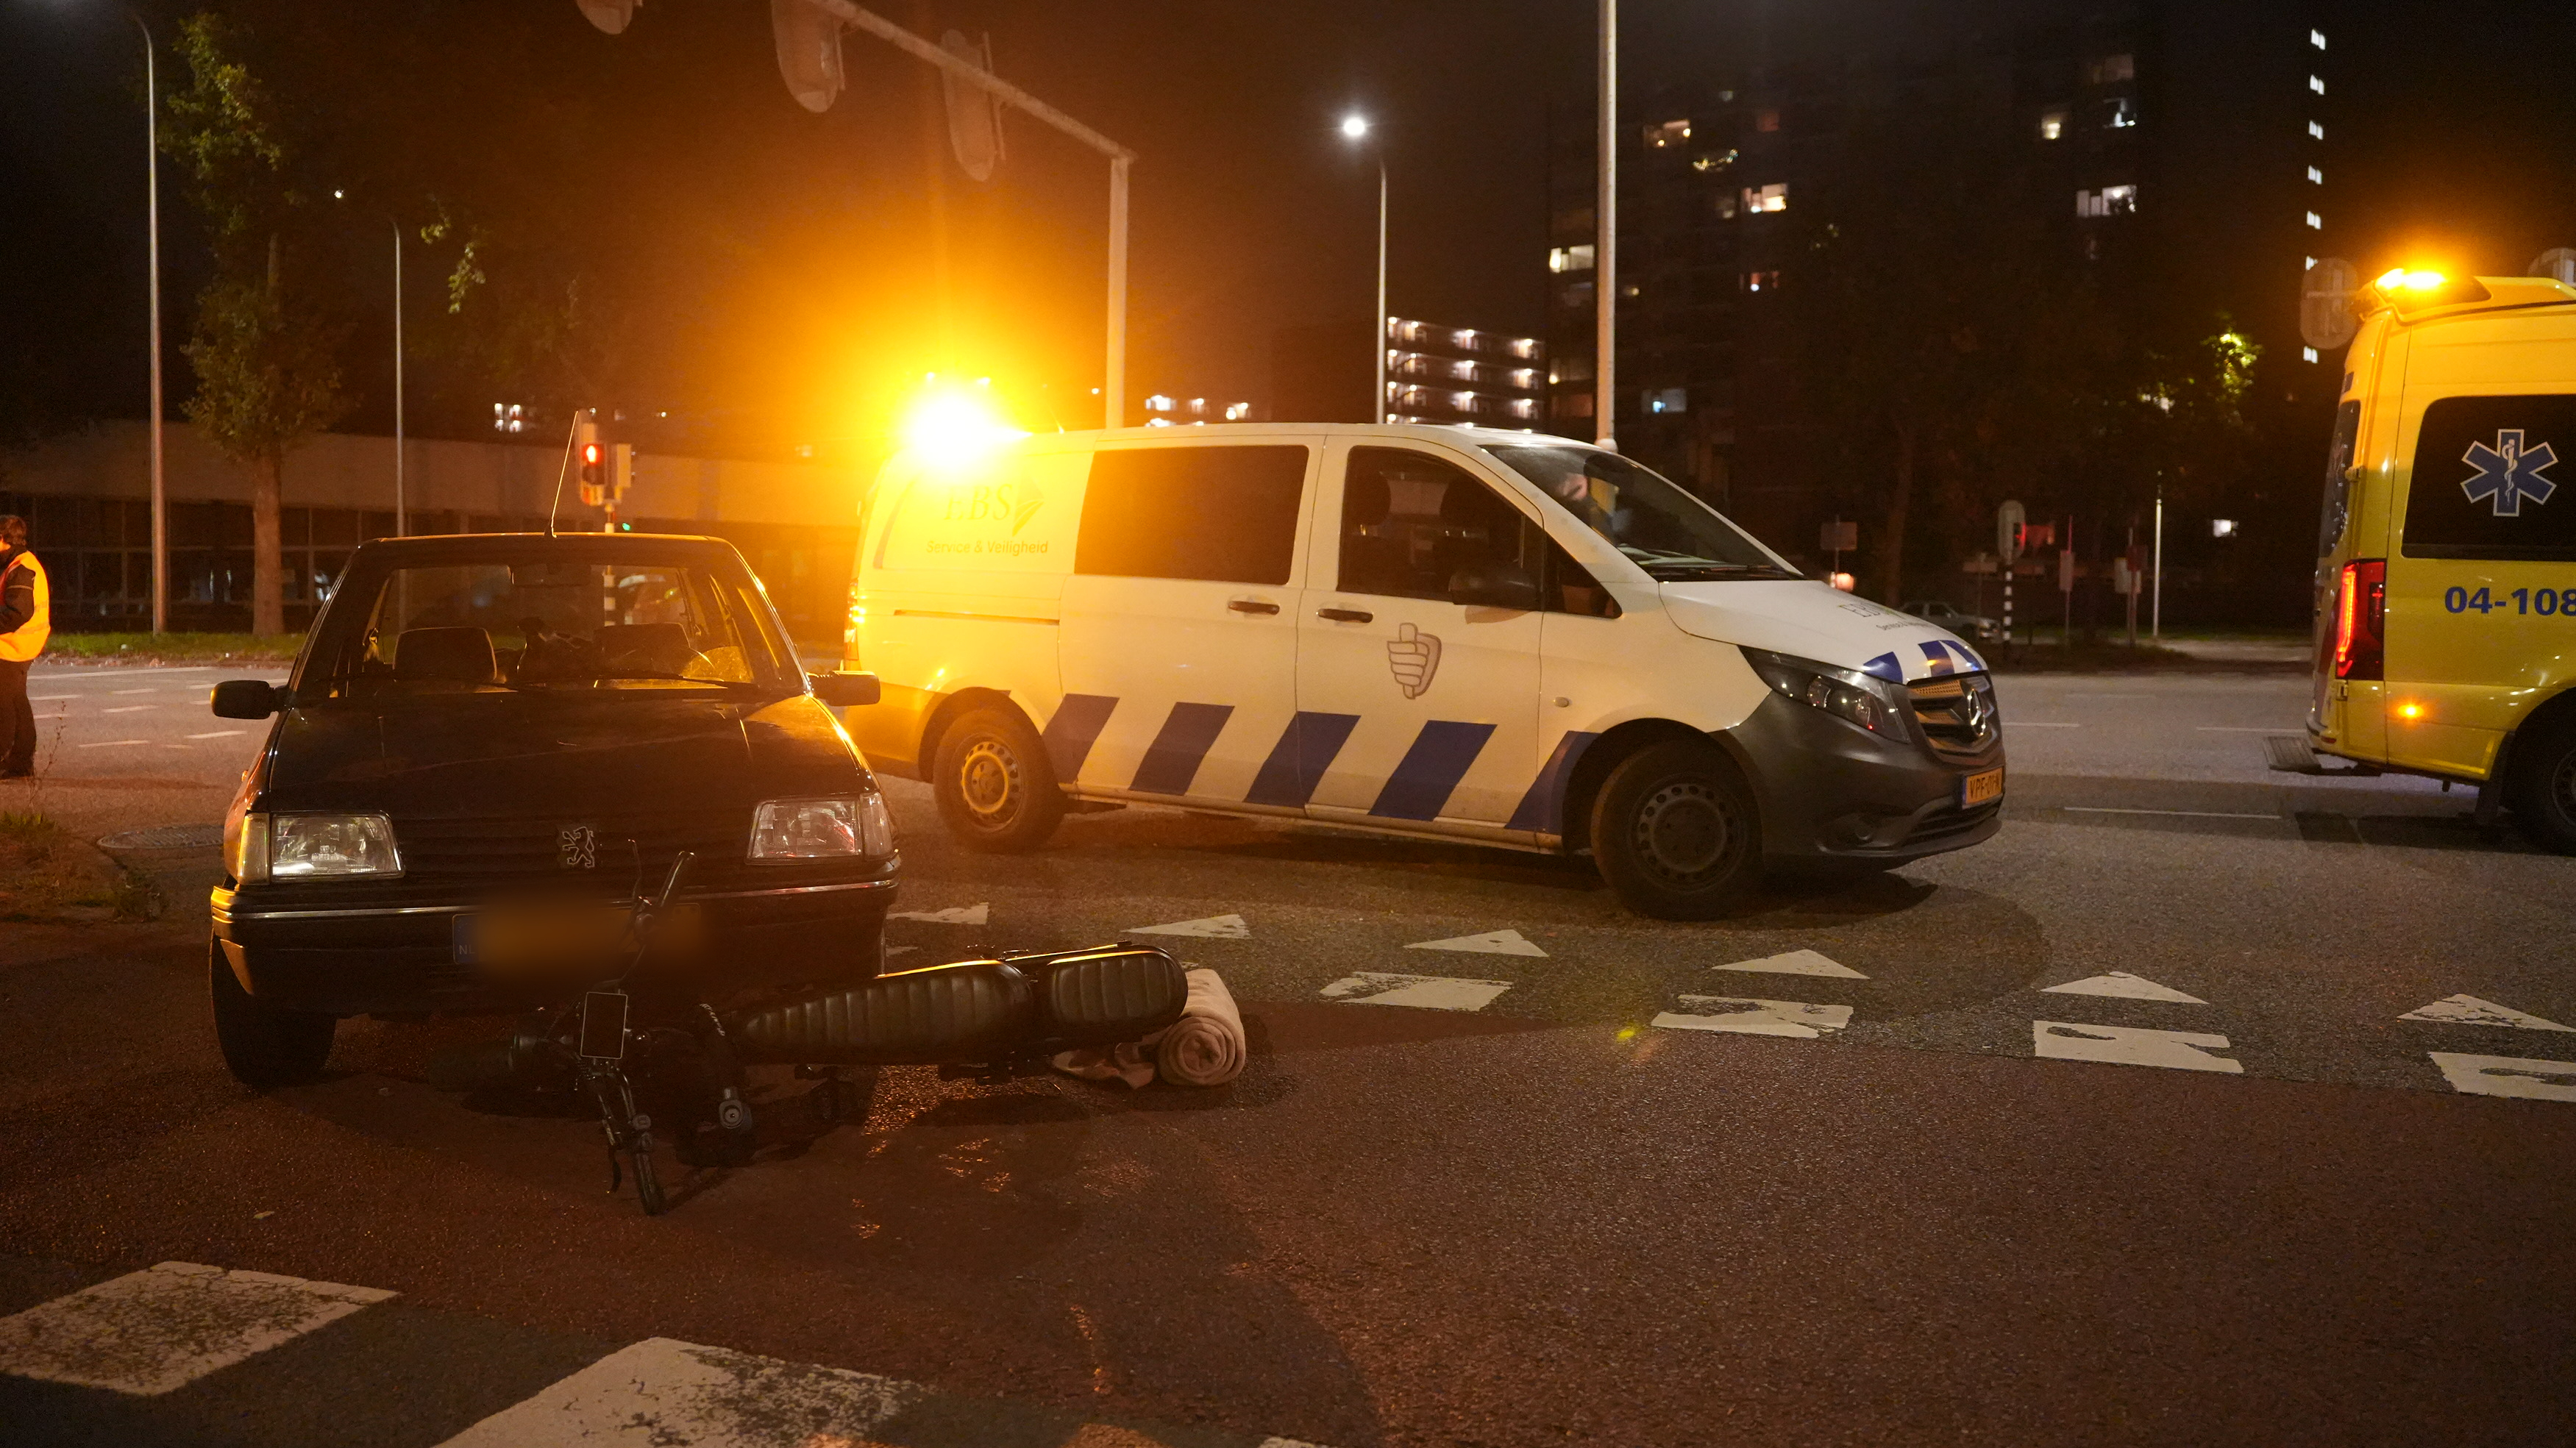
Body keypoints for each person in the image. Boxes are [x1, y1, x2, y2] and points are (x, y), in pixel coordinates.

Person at [0, 514, 49, 778]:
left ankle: (8, 758)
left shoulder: (20, 567)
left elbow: (18, 612)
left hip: (12, 644)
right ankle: (20, 762)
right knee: (17, 702)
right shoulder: (17, 562)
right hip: (20, 644)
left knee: (3, 705)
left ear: (3, 539)